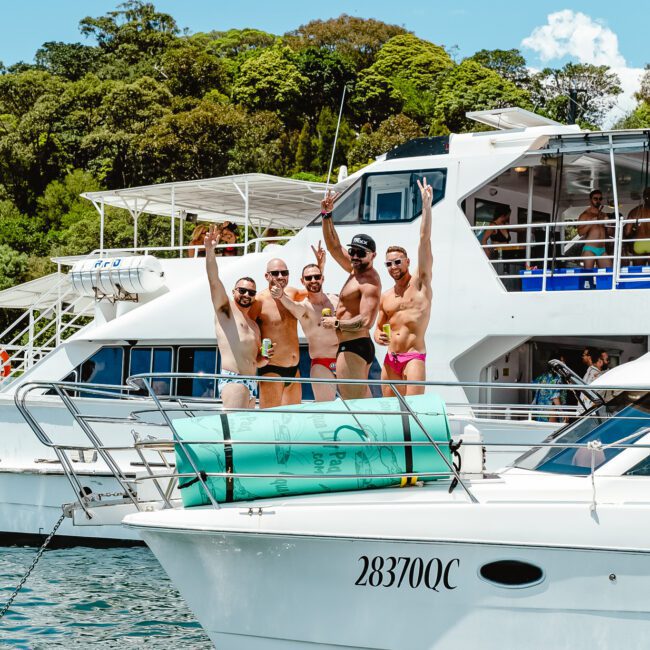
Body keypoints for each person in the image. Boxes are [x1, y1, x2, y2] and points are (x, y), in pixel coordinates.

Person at [373, 178, 433, 397]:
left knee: (414, 409)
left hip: (413, 356)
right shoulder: (386, 296)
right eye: (389, 263)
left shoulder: (421, 283)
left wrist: (426, 208)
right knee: (389, 412)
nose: (393, 266)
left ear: (407, 261)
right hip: (390, 359)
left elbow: (424, 240)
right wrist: (378, 335)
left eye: (398, 261)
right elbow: (378, 328)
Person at [204, 225, 274, 409]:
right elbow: (213, 280)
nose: (246, 294)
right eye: (242, 290)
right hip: (234, 380)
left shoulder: (254, 325)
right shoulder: (225, 310)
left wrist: (264, 359)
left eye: (251, 292)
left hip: (252, 383)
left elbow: (256, 360)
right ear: (234, 291)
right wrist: (210, 251)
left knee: (244, 437)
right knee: (234, 435)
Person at [320, 191, 381, 400]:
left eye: (360, 253)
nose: (354, 256)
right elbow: (334, 246)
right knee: (362, 401)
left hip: (355, 346)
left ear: (373, 255)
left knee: (353, 403)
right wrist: (327, 215)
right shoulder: (356, 270)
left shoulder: (369, 282)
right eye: (353, 251)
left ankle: (367, 433)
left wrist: (336, 324)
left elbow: (366, 321)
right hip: (352, 345)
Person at [271, 242, 339, 402]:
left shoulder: (336, 300)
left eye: (317, 276)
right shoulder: (304, 308)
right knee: (326, 408)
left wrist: (321, 265)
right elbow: (290, 304)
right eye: (308, 278)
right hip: (322, 363)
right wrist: (280, 294)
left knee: (354, 406)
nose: (313, 280)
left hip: (344, 358)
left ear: (323, 278)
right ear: (302, 281)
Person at [249, 258, 302, 408]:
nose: (280, 276)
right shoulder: (259, 301)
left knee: (294, 423)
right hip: (272, 370)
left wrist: (321, 267)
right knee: (271, 421)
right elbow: (248, 330)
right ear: (267, 276)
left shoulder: (292, 294)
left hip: (295, 369)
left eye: (284, 272)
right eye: (275, 273)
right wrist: (259, 354)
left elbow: (314, 292)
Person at [578, 190, 610, 269]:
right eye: (595, 199)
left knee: (609, 273)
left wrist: (608, 224)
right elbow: (580, 232)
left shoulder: (603, 214)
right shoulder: (585, 215)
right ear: (590, 200)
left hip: (602, 249)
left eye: (600, 199)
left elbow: (609, 233)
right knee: (588, 274)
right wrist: (591, 222)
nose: (598, 201)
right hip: (590, 249)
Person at [531, 354, 567, 423]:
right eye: (561, 361)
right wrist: (563, 413)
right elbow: (555, 398)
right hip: (551, 411)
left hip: (540, 410)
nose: (564, 363)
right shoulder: (558, 378)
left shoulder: (543, 376)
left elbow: (533, 385)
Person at [624, 187, 650, 263]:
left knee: (638, 272)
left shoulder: (635, 211)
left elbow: (627, 232)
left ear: (644, 197)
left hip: (639, 244)